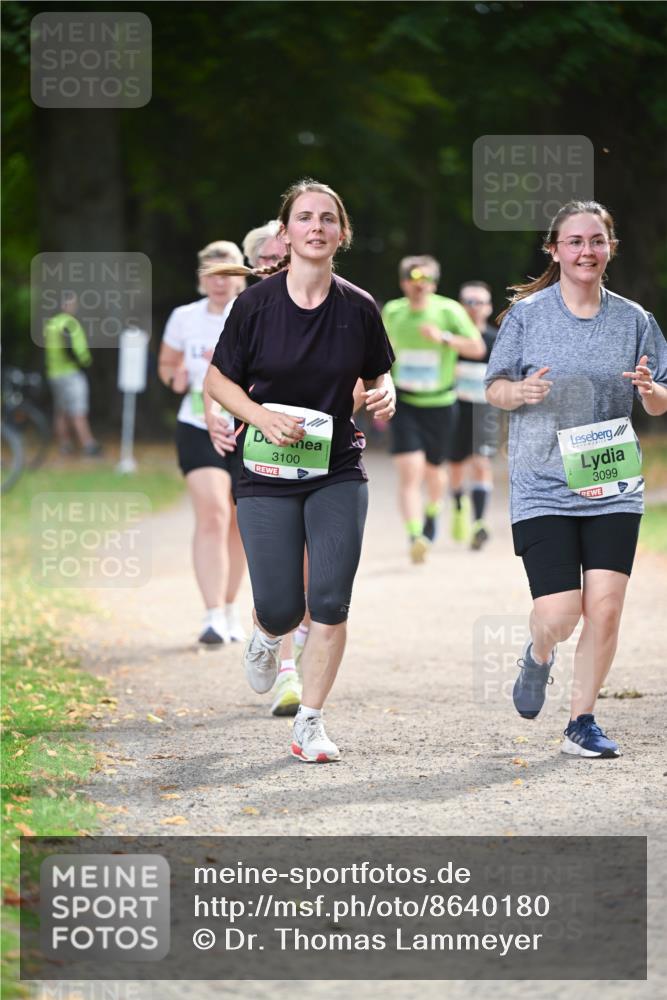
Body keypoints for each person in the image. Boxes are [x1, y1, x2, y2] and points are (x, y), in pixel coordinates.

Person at [204, 179, 396, 763]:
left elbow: (379, 375)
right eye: (305, 218)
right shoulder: (255, 305)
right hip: (264, 471)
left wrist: (385, 395)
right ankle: (267, 634)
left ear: (341, 233)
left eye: (328, 218)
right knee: (284, 605)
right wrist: (260, 418)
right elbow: (217, 381)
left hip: (336, 467)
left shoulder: (359, 306)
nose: (317, 227)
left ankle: (309, 723)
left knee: (332, 598)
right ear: (285, 234)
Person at [485, 199, 667, 759]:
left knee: (606, 606)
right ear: (555, 250)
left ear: (610, 248)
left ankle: (581, 722)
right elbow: (494, 387)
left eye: (596, 241)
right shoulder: (528, 316)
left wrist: (649, 391)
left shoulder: (634, 319)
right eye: (574, 241)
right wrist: (519, 393)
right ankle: (539, 654)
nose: (586, 251)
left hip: (612, 479)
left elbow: (660, 402)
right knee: (560, 613)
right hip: (543, 481)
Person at [158, 241, 248, 646]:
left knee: (237, 520)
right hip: (196, 424)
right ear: (200, 277)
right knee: (212, 512)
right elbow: (167, 364)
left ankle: (230, 608)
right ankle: (211, 614)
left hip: (245, 427)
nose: (218, 281)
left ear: (240, 277)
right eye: (211, 273)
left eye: (227, 273)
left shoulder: (252, 313)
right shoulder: (184, 318)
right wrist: (174, 376)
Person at [381, 256, 484, 563]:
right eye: (413, 279)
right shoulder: (393, 312)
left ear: (434, 284)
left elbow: (477, 348)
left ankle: (433, 511)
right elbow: (378, 350)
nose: (419, 284)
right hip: (405, 403)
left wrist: (444, 338)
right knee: (410, 471)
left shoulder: (448, 310)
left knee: (434, 471)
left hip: (440, 403)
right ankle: (416, 535)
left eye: (425, 280)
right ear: (403, 284)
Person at [448, 281, 499, 549]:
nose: (474, 307)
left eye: (480, 302)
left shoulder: (496, 339)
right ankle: (458, 505)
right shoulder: (452, 338)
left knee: (481, 462)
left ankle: (479, 522)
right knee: (456, 466)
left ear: (489, 307)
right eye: (469, 301)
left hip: (484, 409)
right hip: (454, 407)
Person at [44, 292, 102, 456]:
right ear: (65, 305)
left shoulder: (51, 324)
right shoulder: (69, 324)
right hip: (71, 372)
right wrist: (82, 363)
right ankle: (88, 444)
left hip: (54, 372)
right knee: (78, 410)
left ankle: (65, 445)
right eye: (72, 303)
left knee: (61, 411)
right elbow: (70, 347)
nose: (75, 306)